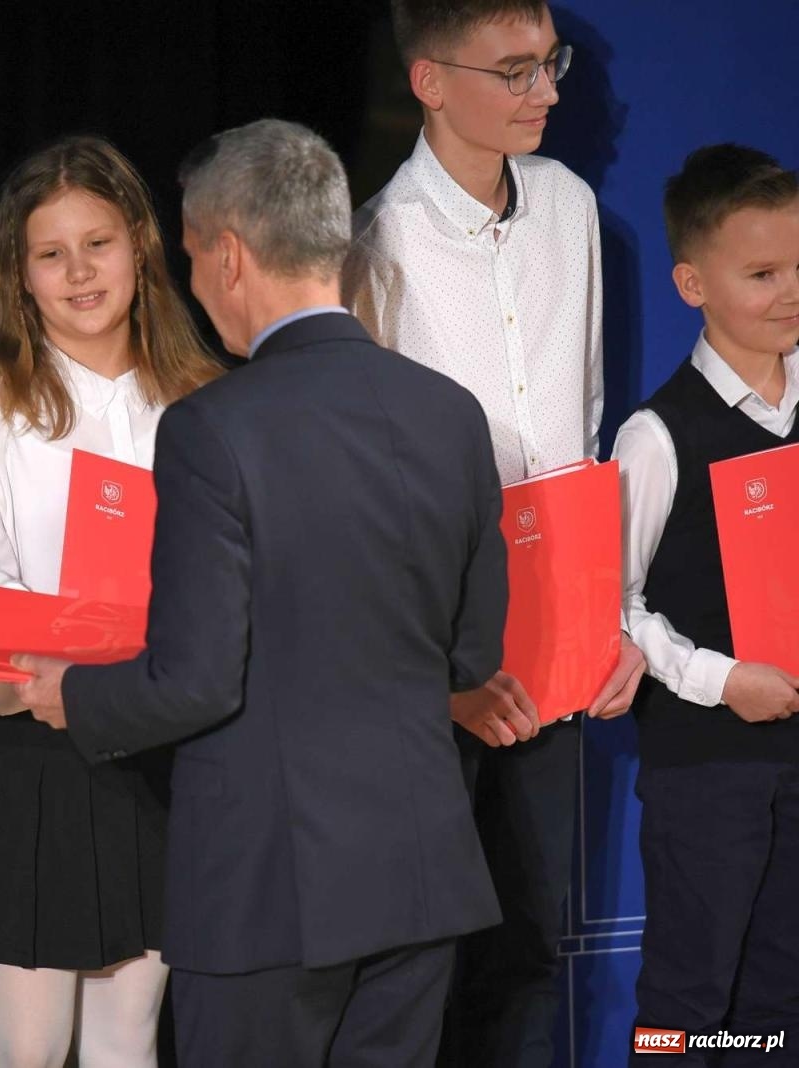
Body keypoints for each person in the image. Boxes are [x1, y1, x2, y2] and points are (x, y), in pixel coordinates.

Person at [14, 118, 506, 1068]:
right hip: (419, 875)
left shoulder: (212, 429)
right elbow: (471, 655)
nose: (196, 285)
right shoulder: (450, 414)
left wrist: (69, 692)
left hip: (267, 891)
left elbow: (196, 682)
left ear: (229, 256)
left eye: (194, 258)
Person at [342, 3, 645, 1062]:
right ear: (429, 80)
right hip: (435, 643)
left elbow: (586, 419)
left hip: (557, 621)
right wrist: (433, 672)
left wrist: (605, 611)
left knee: (531, 941)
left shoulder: (568, 207)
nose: (548, 93)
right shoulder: (376, 244)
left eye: (550, 64)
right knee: (429, 955)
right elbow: (365, 485)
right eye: (514, 72)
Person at [0, 134, 221, 1067]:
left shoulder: (204, 400)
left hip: (165, 746)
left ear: (141, 243)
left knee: (129, 1043)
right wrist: (69, 669)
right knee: (28, 1050)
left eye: (99, 243)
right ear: (19, 274)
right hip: (35, 758)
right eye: (50, 254)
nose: (80, 273)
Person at [615, 144, 799, 1066]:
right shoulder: (658, 433)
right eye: (763, 273)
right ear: (693, 283)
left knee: (778, 992)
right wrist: (723, 680)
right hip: (707, 765)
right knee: (688, 996)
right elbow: (617, 603)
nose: (791, 290)